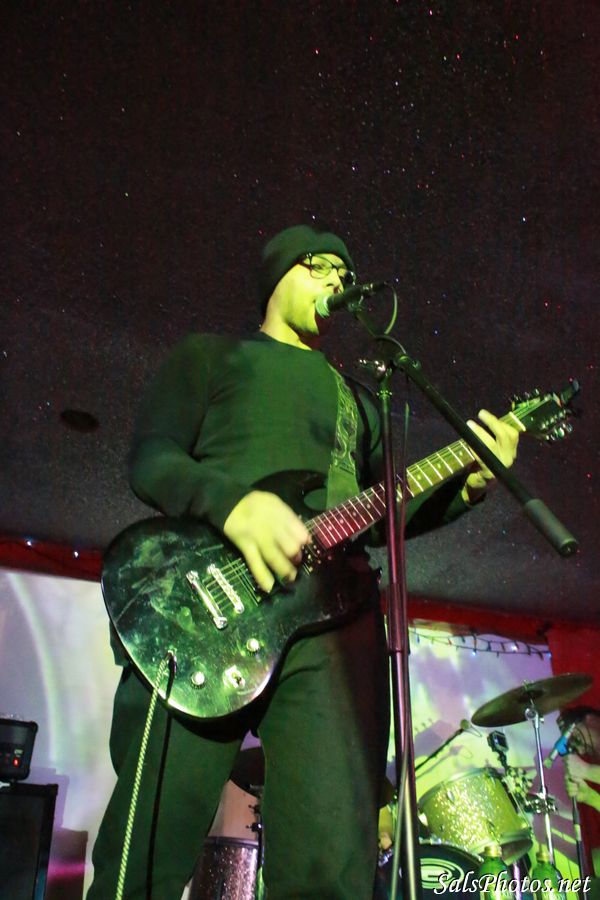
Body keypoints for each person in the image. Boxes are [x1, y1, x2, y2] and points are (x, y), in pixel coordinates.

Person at [87, 224, 519, 899]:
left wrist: (465, 487)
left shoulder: (359, 400)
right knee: (145, 850)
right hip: (202, 608)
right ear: (280, 274)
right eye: (321, 267)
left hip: (335, 623)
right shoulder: (211, 356)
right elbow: (152, 457)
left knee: (331, 862)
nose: (337, 283)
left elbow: (384, 514)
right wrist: (232, 505)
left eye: (345, 275)